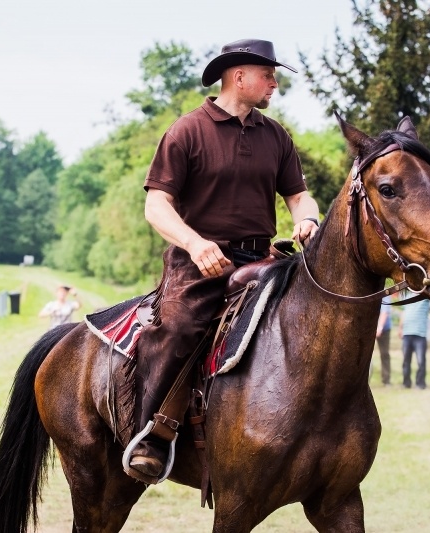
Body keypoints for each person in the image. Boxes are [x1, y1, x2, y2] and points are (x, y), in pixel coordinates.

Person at [126, 38, 320, 482]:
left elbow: (298, 196)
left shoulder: (276, 135)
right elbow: (156, 206)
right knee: (179, 328)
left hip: (262, 260)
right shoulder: (187, 131)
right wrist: (195, 244)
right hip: (197, 264)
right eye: (268, 76)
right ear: (239, 76)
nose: (274, 84)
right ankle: (151, 435)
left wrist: (307, 219)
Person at [399, 299, 430, 389]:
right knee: (406, 361)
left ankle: (420, 384)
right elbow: (403, 312)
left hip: (420, 334)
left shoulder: (425, 296)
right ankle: (406, 383)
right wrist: (400, 328)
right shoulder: (407, 295)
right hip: (407, 333)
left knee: (421, 361)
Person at [375, 298, 392, 386]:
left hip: (384, 329)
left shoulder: (385, 295)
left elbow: (384, 312)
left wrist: (379, 328)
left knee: (384, 354)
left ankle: (386, 380)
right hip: (370, 327)